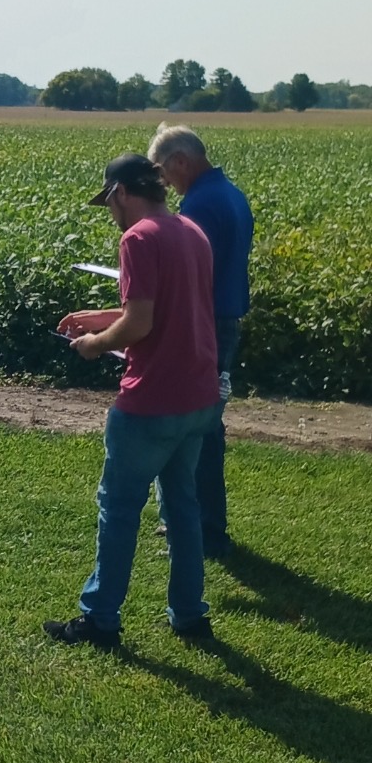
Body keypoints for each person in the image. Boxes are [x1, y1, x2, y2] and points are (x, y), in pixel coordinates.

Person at [45, 152, 220, 650]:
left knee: (118, 508)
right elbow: (158, 310)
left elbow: (140, 325)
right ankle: (189, 615)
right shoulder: (191, 231)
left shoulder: (138, 237)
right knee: (183, 506)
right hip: (198, 396)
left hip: (152, 401)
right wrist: (97, 317)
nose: (110, 212)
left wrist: (92, 345)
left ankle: (101, 618)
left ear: (121, 192)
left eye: (109, 202)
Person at [147, 125, 254, 558]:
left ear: (181, 161)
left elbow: (191, 273)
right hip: (225, 315)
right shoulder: (230, 193)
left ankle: (202, 525)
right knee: (205, 420)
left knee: (197, 424)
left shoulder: (201, 205)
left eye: (164, 173)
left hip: (206, 320)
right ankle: (193, 519)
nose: (165, 185)